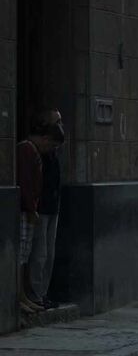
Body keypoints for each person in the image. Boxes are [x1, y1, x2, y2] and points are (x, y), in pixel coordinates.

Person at [16, 109, 65, 314]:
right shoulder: (28, 150)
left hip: (48, 206)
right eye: (57, 122)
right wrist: (32, 207)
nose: (61, 124)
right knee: (33, 254)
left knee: (41, 253)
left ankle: (37, 295)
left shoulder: (48, 153)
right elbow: (27, 182)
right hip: (36, 209)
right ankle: (29, 294)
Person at [29, 141, 63, 310]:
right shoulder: (39, 155)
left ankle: (42, 293)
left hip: (52, 208)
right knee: (40, 253)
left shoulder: (54, 157)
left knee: (49, 253)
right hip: (41, 209)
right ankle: (36, 294)